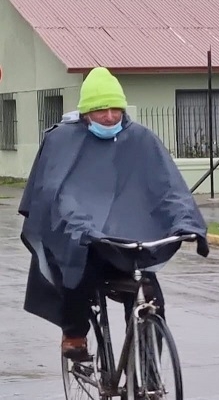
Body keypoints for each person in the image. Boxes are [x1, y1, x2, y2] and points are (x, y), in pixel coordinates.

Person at [18, 67, 209, 361]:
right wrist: (82, 228)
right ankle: (74, 334)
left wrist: (188, 223)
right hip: (87, 241)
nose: (109, 116)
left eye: (115, 109)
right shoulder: (63, 142)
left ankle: (147, 372)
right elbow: (57, 194)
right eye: (100, 110)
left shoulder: (142, 140)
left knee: (151, 297)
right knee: (79, 273)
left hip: (130, 244)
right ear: (85, 113)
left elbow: (169, 188)